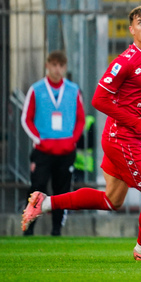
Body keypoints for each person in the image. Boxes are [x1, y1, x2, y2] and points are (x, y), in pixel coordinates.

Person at [22, 5, 141, 261]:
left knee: (112, 200)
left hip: (128, 137)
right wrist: (136, 122)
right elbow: (99, 100)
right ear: (132, 30)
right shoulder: (125, 61)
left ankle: (45, 203)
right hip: (120, 138)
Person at [20, 50, 86, 236]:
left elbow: (81, 118)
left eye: (61, 66)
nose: (57, 69)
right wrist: (38, 139)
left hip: (66, 150)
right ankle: (29, 228)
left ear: (65, 68)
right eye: (54, 65)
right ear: (47, 65)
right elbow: (26, 118)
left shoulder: (73, 90)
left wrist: (73, 139)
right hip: (43, 150)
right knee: (37, 188)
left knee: (62, 192)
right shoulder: (37, 89)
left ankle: (57, 230)